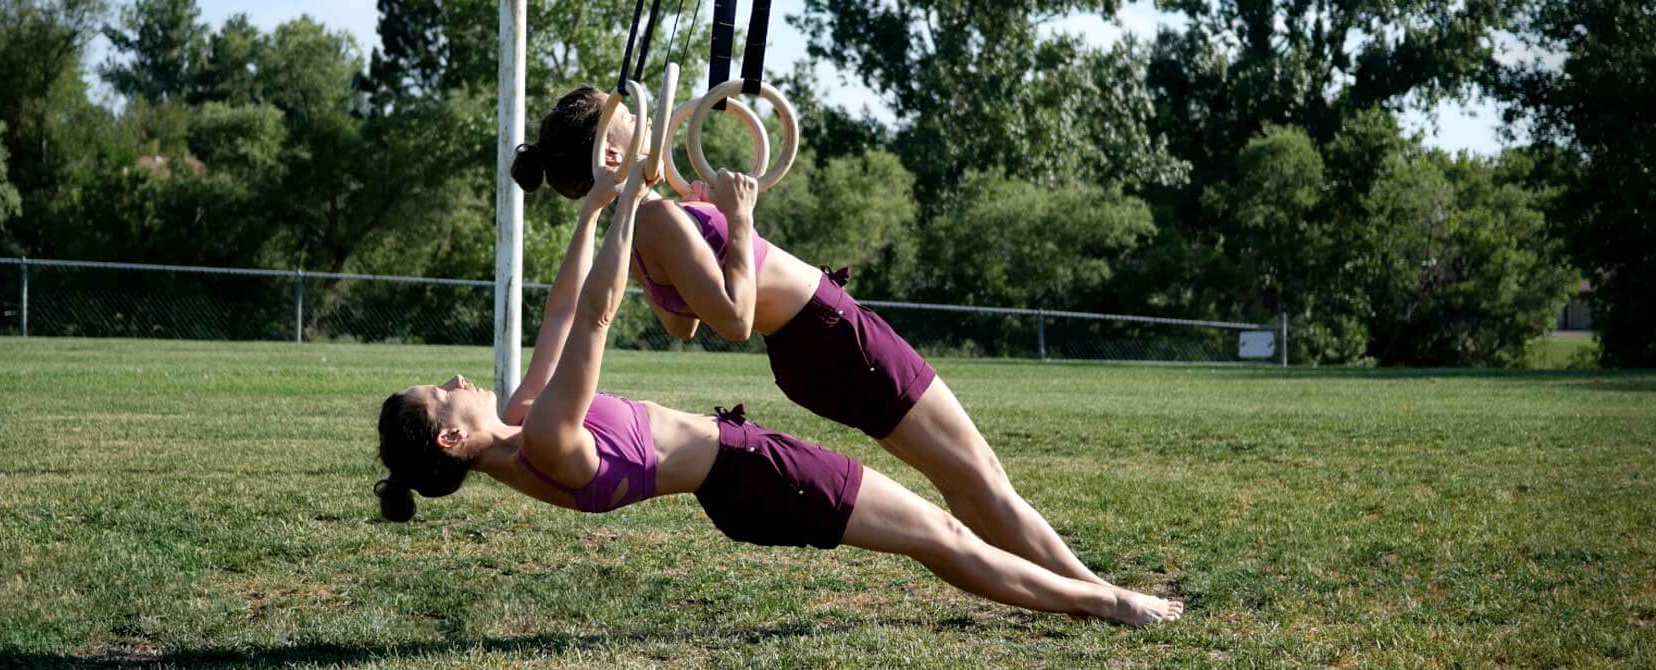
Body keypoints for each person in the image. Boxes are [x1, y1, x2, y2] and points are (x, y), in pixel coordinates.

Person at [374, 168, 1183, 626]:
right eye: (442, 396)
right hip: (756, 478)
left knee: (941, 525)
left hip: (748, 470)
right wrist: (630, 213)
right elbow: (594, 314)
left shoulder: (520, 422)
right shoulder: (548, 440)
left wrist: (590, 212)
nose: (455, 381)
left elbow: (558, 308)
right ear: (450, 440)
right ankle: (1109, 604)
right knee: (937, 532)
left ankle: (1092, 598)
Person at [508, 86, 1113, 588]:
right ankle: (1090, 588)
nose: (649, 122)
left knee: (960, 477)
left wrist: (706, 232)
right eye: (635, 119)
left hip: (808, 355)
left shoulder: (637, 230)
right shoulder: (658, 219)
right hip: (834, 339)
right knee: (977, 474)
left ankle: (1060, 582)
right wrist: (738, 219)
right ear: (613, 151)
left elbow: (680, 324)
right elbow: (735, 320)